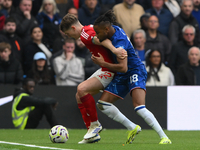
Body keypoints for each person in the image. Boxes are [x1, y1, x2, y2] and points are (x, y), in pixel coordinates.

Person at [92, 10, 171, 144]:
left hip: (135, 71)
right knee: (103, 104)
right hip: (123, 74)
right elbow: (97, 39)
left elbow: (124, 67)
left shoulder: (119, 42)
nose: (97, 35)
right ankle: (132, 127)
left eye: (98, 32)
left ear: (106, 29)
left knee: (139, 107)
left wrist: (102, 63)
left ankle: (164, 137)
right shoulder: (114, 28)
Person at [60, 13, 127, 143]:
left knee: (82, 89)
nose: (69, 37)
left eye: (68, 34)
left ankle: (95, 125)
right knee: (79, 96)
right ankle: (91, 133)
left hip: (110, 70)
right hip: (104, 68)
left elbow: (102, 40)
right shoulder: (88, 29)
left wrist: (115, 50)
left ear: (73, 28)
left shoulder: (84, 35)